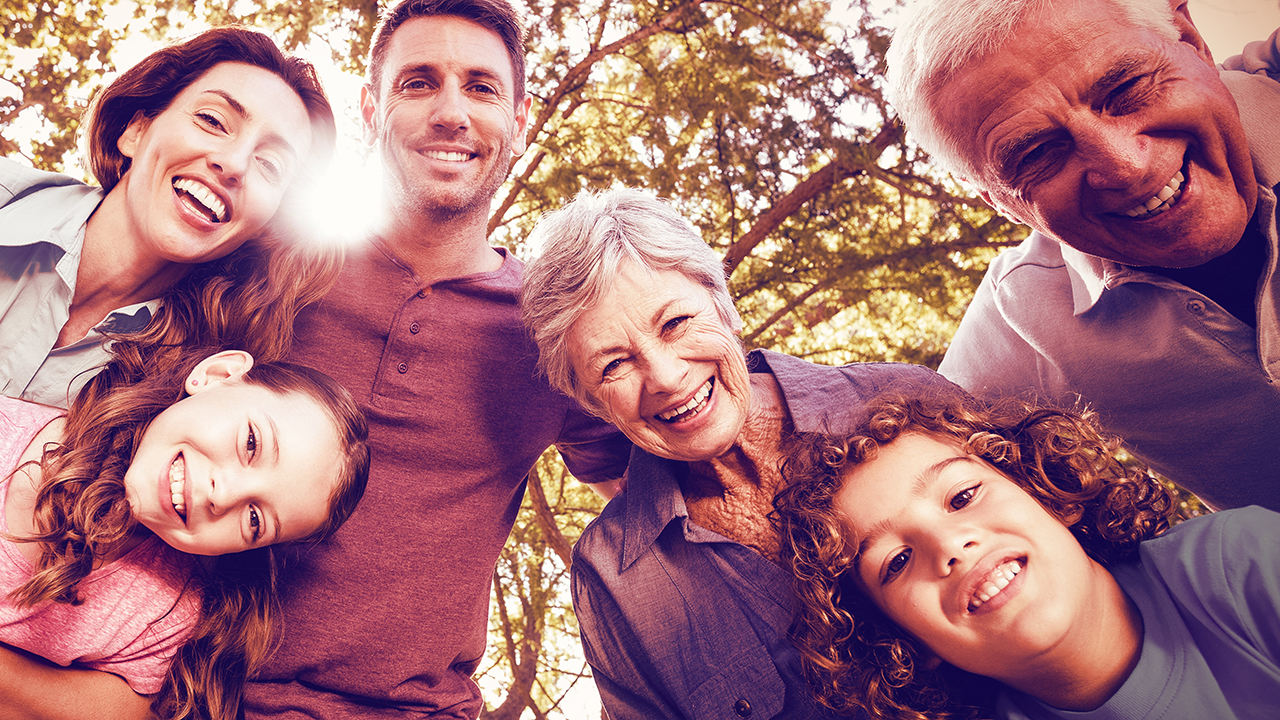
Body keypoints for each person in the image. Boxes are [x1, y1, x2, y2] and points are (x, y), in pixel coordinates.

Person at [242, 2, 631, 717]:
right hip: (197, 694)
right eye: (418, 82)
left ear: (519, 121)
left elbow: (668, 499)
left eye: (481, 88)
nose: (452, 113)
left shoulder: (554, 332)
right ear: (371, 110)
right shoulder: (269, 266)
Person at [520, 187, 959, 718]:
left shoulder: (903, 399)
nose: (666, 377)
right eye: (614, 365)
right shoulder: (613, 577)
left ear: (723, 307)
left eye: (676, 324)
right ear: (593, 402)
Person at [884, 0, 1280, 512]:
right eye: (1036, 153)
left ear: (1188, 36)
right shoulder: (1024, 320)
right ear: (998, 200)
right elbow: (900, 480)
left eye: (1127, 89)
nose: (1126, 167)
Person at [774, 393, 1280, 720]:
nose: (949, 546)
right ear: (903, 642)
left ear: (1048, 493)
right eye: (897, 562)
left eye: (962, 497)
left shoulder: (1242, 562)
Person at [1, 339, 371, 720]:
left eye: (255, 520)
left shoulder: (164, 614)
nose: (223, 494)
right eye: (251, 443)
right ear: (216, 375)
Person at [1, 25, 338, 408]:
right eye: (212, 120)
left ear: (266, 225)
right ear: (135, 130)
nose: (234, 164)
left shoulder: (198, 392)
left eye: (271, 165)